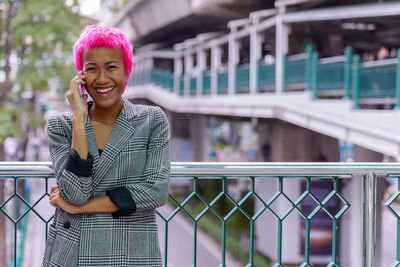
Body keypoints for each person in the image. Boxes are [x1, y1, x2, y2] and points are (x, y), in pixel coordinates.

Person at [42, 25, 170, 267]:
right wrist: (79, 120)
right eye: (92, 69)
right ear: (80, 76)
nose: (102, 79)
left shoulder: (152, 120)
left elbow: (156, 190)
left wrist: (82, 209)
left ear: (126, 72)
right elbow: (75, 194)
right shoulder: (61, 126)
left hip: (132, 253)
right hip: (73, 252)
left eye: (111, 67)